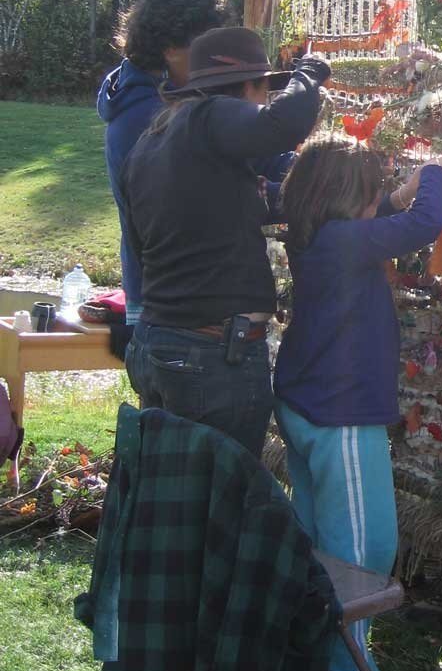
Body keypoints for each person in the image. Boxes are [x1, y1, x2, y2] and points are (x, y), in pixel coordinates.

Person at [274, 138, 442, 671]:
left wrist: (393, 195)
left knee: (319, 539)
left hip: (303, 405)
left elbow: (386, 221)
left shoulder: (318, 236)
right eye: (372, 192)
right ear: (348, 199)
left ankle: (307, 656)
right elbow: (426, 220)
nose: (379, 201)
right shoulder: (346, 243)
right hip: (340, 415)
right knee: (363, 549)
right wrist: (434, 170)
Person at [122, 27, 329, 458]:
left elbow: (186, 226)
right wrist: (308, 73)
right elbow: (281, 125)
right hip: (212, 354)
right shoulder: (211, 115)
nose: (262, 103)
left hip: (160, 343)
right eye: (261, 92)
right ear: (245, 88)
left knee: (171, 498)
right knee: (224, 502)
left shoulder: (155, 143)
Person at [98, 0, 228, 324]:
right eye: (206, 47)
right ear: (171, 48)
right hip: (169, 305)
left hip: (163, 295)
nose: (215, 59)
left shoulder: (158, 95)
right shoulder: (146, 116)